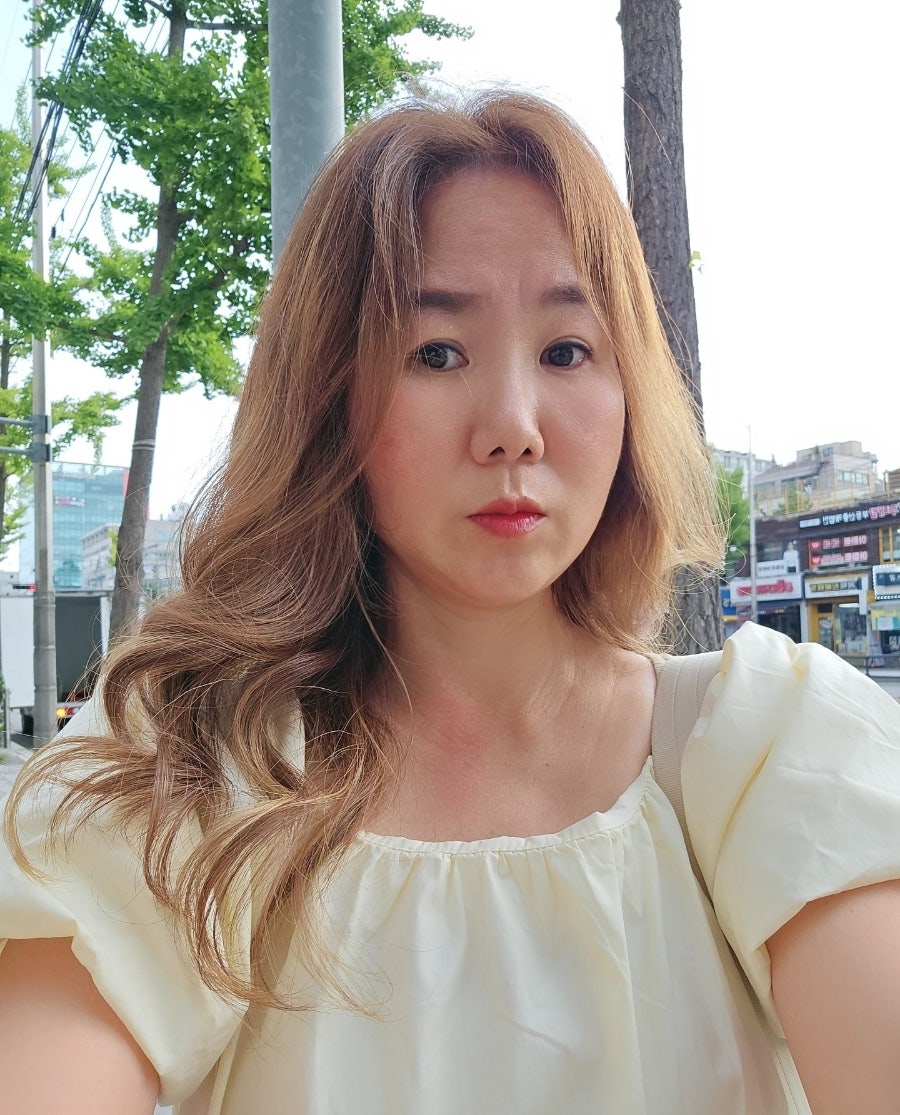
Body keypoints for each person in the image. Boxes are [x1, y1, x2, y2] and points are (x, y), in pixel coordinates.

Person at [1, 90, 899, 1115]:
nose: (513, 424)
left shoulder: (765, 753)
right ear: (329, 395)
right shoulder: (193, 762)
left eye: (567, 349)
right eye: (435, 352)